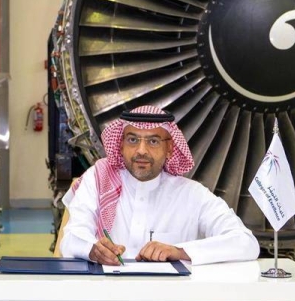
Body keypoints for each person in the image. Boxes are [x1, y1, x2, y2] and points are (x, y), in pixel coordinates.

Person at [60, 106, 260, 266]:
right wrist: (93, 250)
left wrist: (179, 251)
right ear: (120, 145)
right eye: (132, 140)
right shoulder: (98, 180)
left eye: (153, 141)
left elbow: (246, 242)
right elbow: (70, 239)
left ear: (170, 148)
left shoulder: (191, 194)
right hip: (107, 295)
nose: (141, 150)